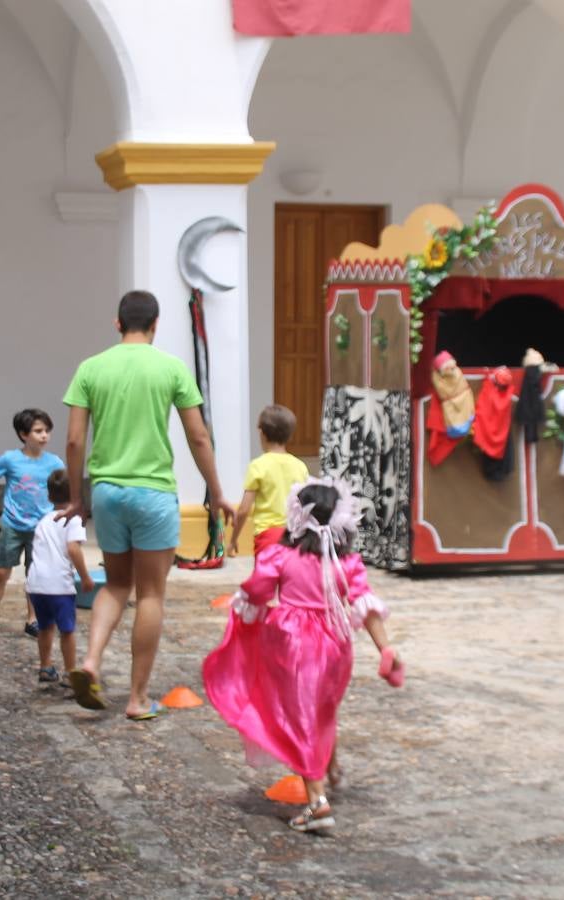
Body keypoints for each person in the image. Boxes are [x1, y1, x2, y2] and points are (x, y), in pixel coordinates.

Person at [57, 289, 236, 719]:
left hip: (108, 491)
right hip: (153, 492)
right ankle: (137, 699)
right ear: (155, 325)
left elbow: (75, 439)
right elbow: (198, 436)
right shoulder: (171, 367)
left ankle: (91, 661)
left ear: (118, 324)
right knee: (151, 593)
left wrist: (78, 498)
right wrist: (215, 494)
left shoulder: (91, 368)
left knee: (116, 584)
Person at [202, 478, 401, 833]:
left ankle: (317, 801)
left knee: (299, 720)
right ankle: (333, 768)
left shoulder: (280, 555)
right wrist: (385, 648)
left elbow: (258, 592)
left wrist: (243, 607)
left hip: (293, 645)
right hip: (336, 645)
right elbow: (364, 606)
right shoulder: (347, 563)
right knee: (321, 709)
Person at [0, 409, 64, 641]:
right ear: (23, 434)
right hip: (13, 526)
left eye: (47, 431)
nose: (44, 435)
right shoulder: (10, 459)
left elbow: (63, 489)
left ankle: (33, 620)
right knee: (1, 572)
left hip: (41, 529)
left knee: (34, 575)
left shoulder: (54, 462)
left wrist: (63, 514)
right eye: (38, 431)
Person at [26, 470, 94, 684]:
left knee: (45, 627)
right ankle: (69, 672)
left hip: (36, 585)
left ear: (49, 496)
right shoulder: (72, 520)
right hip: (59, 586)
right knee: (67, 630)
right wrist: (85, 577)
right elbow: (73, 549)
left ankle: (45, 667)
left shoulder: (43, 521)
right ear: (76, 497)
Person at [228, 405, 310, 558]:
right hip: (293, 536)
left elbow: (244, 509)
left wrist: (233, 540)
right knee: (289, 580)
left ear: (262, 433)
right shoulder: (300, 467)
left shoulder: (257, 466)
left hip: (267, 537)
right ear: (290, 435)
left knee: (266, 580)